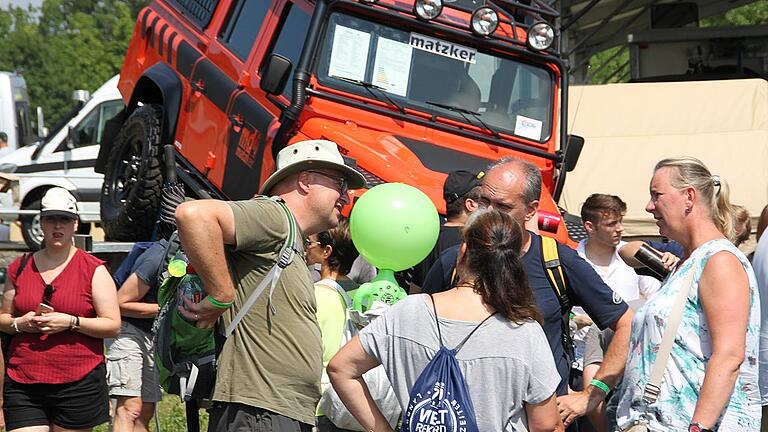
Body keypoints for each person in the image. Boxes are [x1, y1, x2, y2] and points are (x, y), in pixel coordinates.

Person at [421, 157, 634, 430]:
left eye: (503, 207)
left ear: (531, 210)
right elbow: (422, 330)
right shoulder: (454, 260)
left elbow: (626, 322)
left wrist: (591, 395)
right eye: (484, 201)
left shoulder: (556, 260)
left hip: (542, 422)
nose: (489, 213)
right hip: (465, 416)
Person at [174, 140, 366, 432]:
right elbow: (193, 215)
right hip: (259, 411)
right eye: (339, 184)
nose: (345, 196)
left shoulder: (290, 235)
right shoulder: (277, 216)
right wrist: (221, 295)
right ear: (304, 181)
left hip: (272, 410)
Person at [328, 209, 563, 431]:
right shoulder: (523, 331)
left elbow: (341, 368)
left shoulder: (407, 312)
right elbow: (546, 424)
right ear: (514, 264)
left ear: (462, 253)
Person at [615, 157, 761, 431]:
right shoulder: (689, 262)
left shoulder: (719, 261)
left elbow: (729, 356)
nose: (649, 206)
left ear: (688, 197)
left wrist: (698, 427)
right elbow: (626, 251)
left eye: (656, 195)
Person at [0, 187, 121, 431]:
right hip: (23, 379)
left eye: (64, 219)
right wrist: (19, 324)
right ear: (41, 223)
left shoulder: (94, 269)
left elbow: (112, 325)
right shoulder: (19, 267)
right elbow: (3, 318)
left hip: (78, 379)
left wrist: (71, 322)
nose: (58, 226)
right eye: (51, 219)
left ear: (75, 224)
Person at [305, 219, 360, 431]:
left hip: (318, 403)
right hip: (347, 401)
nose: (307, 248)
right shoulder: (360, 296)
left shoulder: (315, 295)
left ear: (326, 251)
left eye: (310, 243)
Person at [107, 239, 167, 432]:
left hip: (154, 336)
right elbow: (119, 302)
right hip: (129, 330)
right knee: (130, 408)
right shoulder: (156, 257)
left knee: (145, 412)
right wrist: (166, 308)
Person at [410, 169, 482, 291]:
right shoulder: (471, 242)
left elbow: (415, 290)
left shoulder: (426, 236)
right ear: (471, 205)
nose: (491, 207)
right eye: (485, 200)